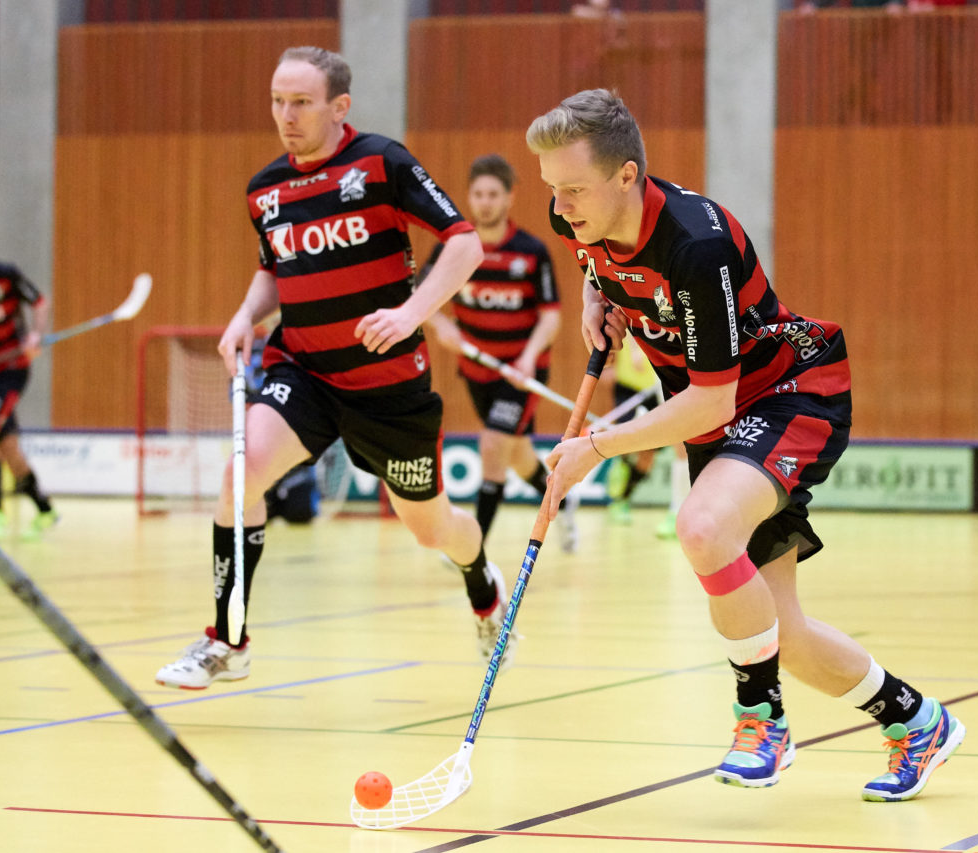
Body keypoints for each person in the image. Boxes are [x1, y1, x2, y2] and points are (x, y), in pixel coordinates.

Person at [528, 89, 965, 799]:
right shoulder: (576, 210)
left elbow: (712, 396)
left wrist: (598, 446)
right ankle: (916, 721)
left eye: (574, 189)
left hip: (789, 392)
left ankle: (760, 721)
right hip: (715, 422)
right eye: (554, 189)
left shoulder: (697, 245)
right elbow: (592, 256)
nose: (561, 206)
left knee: (701, 525)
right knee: (779, 630)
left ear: (628, 175)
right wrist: (595, 301)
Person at [155, 46, 517, 690]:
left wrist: (411, 313)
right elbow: (275, 267)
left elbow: (462, 242)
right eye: (277, 100)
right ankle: (227, 639)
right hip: (306, 370)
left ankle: (482, 580)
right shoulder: (265, 188)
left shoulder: (381, 163)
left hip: (389, 391)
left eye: (301, 102)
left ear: (338, 106)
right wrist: (247, 316)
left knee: (433, 530)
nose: (285, 116)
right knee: (242, 478)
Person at [422, 154, 575, 550]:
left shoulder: (530, 252)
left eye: (494, 194)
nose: (485, 201)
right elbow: (418, 297)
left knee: (492, 447)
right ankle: (560, 496)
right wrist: (442, 325)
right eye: (478, 194)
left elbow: (550, 318)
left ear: (509, 199)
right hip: (476, 373)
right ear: (469, 198)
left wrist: (527, 358)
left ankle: (472, 548)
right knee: (519, 456)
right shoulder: (454, 250)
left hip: (521, 374)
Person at [0, 260, 56, 539]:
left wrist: (34, 336)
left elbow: (40, 302)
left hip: (10, 371)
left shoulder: (6, 275)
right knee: (9, 450)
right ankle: (45, 510)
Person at [601, 343, 687, 539]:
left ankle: (623, 499)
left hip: (661, 383)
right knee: (626, 440)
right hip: (630, 384)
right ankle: (621, 466)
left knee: (649, 453)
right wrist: (614, 362)